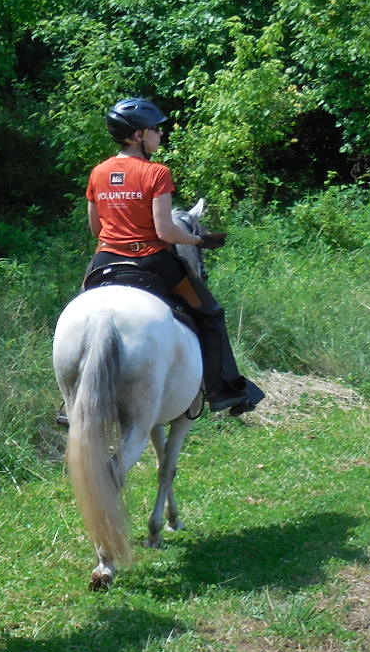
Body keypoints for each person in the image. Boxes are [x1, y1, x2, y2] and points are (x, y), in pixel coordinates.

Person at [84, 97, 264, 415]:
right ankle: (226, 390)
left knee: (86, 320)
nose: (160, 135)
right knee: (210, 313)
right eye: (156, 129)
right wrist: (199, 239)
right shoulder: (156, 173)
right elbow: (166, 232)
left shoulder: (99, 173)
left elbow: (96, 227)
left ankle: (72, 402)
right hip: (152, 261)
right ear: (138, 135)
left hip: (106, 261)